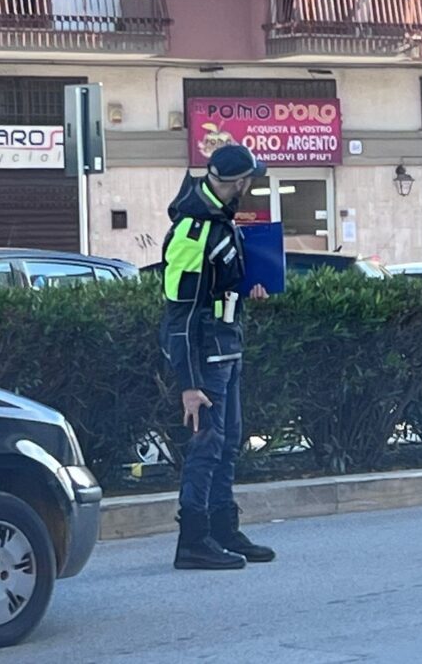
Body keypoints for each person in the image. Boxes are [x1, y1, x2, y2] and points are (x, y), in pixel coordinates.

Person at [159, 144, 277, 570]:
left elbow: (218, 287)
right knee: (206, 447)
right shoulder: (194, 230)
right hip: (207, 358)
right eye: (250, 179)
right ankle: (193, 541)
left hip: (228, 349)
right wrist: (188, 384)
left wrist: (250, 288)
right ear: (239, 182)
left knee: (227, 445)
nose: (250, 186)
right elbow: (180, 312)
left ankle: (223, 530)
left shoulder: (220, 222)